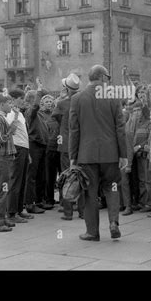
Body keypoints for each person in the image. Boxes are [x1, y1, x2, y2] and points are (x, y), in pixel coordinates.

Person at [69, 64, 128, 241]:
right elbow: (120, 128)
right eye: (108, 78)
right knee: (112, 187)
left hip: (86, 155)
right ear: (102, 78)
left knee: (90, 193)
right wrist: (123, 154)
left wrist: (73, 156)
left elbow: (74, 130)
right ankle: (113, 223)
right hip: (110, 153)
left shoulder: (77, 98)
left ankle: (92, 232)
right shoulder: (113, 97)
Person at [52, 73, 85, 220]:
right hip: (82, 144)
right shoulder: (84, 102)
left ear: (66, 87)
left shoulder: (62, 103)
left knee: (67, 176)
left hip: (66, 144)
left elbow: (56, 119)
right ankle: (83, 211)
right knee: (82, 177)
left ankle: (68, 211)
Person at [0, 93, 18, 232]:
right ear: (1, 104)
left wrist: (15, 119)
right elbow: (1, 140)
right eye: (9, 103)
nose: (11, 106)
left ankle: (2, 218)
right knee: (1, 189)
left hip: (5, 157)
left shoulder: (1, 118)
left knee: (4, 188)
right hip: (1, 157)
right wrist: (11, 130)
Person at [6, 88, 34, 224]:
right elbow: (10, 131)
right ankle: (11, 213)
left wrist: (27, 152)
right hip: (16, 148)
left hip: (23, 148)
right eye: (21, 99)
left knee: (22, 181)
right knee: (15, 181)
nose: (23, 101)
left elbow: (24, 133)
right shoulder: (10, 113)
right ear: (13, 100)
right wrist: (16, 116)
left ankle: (19, 209)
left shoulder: (20, 114)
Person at [24, 80, 51, 214]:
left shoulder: (39, 113)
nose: (40, 102)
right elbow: (34, 107)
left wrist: (42, 91)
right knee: (32, 176)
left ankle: (39, 201)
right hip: (34, 145)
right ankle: (29, 203)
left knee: (41, 175)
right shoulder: (30, 112)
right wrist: (39, 92)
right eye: (37, 99)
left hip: (42, 146)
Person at [132, 102, 151, 213]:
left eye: (138, 110)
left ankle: (150, 203)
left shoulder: (150, 124)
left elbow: (150, 140)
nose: (136, 113)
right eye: (134, 110)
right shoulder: (136, 124)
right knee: (141, 180)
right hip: (138, 156)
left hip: (146, 155)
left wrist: (140, 146)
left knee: (148, 181)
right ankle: (142, 202)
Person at [40, 94, 59, 208]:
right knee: (49, 175)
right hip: (48, 147)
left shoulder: (56, 114)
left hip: (58, 147)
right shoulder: (41, 115)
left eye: (51, 101)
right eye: (46, 101)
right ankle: (49, 198)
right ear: (42, 103)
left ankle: (63, 198)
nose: (49, 103)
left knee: (59, 174)